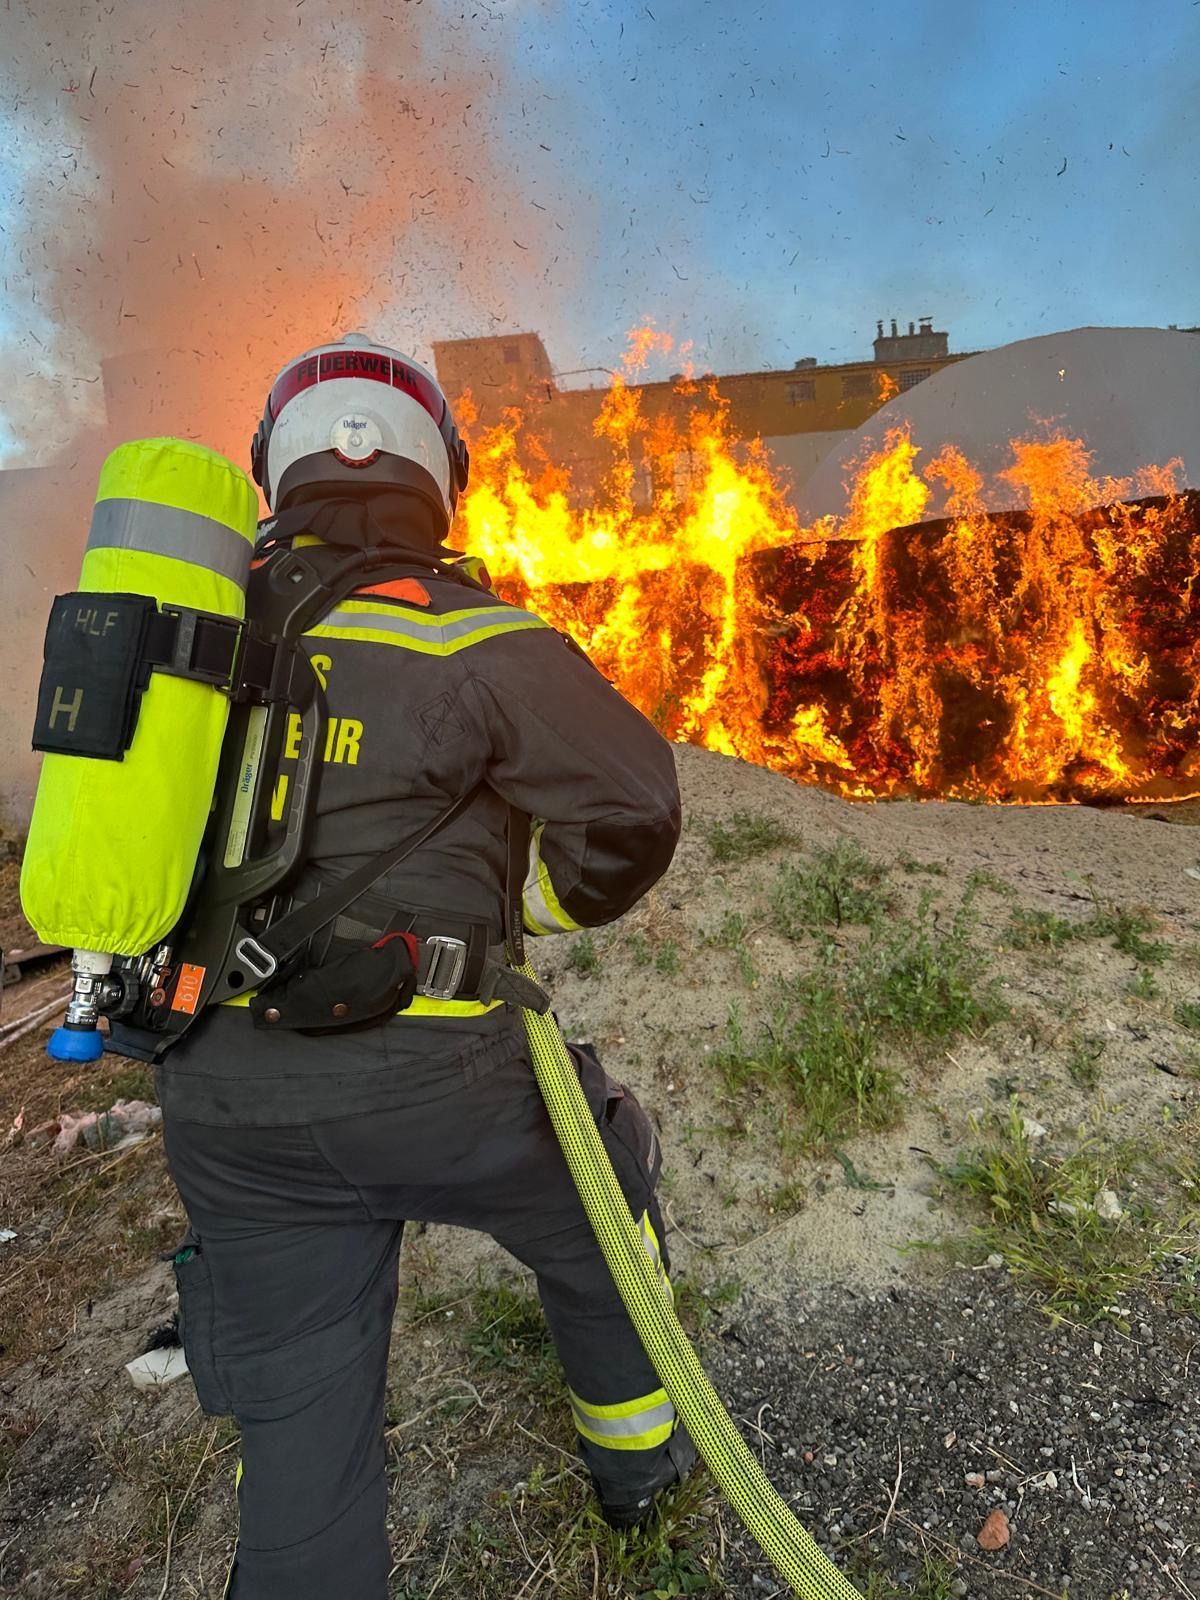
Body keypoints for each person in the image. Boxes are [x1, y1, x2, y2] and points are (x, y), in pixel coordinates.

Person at [156, 333, 695, 1599]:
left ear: (274, 471)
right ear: (435, 479)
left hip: (226, 1108)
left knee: (300, 1434)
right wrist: (541, 908)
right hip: (441, 1088)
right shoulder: (470, 636)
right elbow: (637, 805)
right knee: (600, 1187)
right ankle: (638, 1471)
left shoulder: (181, 652)